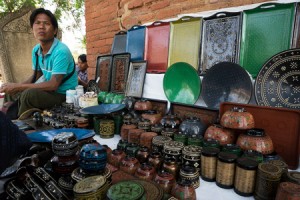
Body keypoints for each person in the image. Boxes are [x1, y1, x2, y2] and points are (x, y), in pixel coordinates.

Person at [0, 8, 78, 118]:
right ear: (32, 28)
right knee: (8, 93)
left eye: (46, 23)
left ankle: (21, 124)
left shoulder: (61, 51)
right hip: (50, 92)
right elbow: (36, 76)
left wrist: (19, 87)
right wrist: (15, 87)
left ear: (55, 30)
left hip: (64, 94)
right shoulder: (36, 50)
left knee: (29, 95)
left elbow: (53, 85)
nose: (41, 26)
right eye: (37, 23)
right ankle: (7, 121)